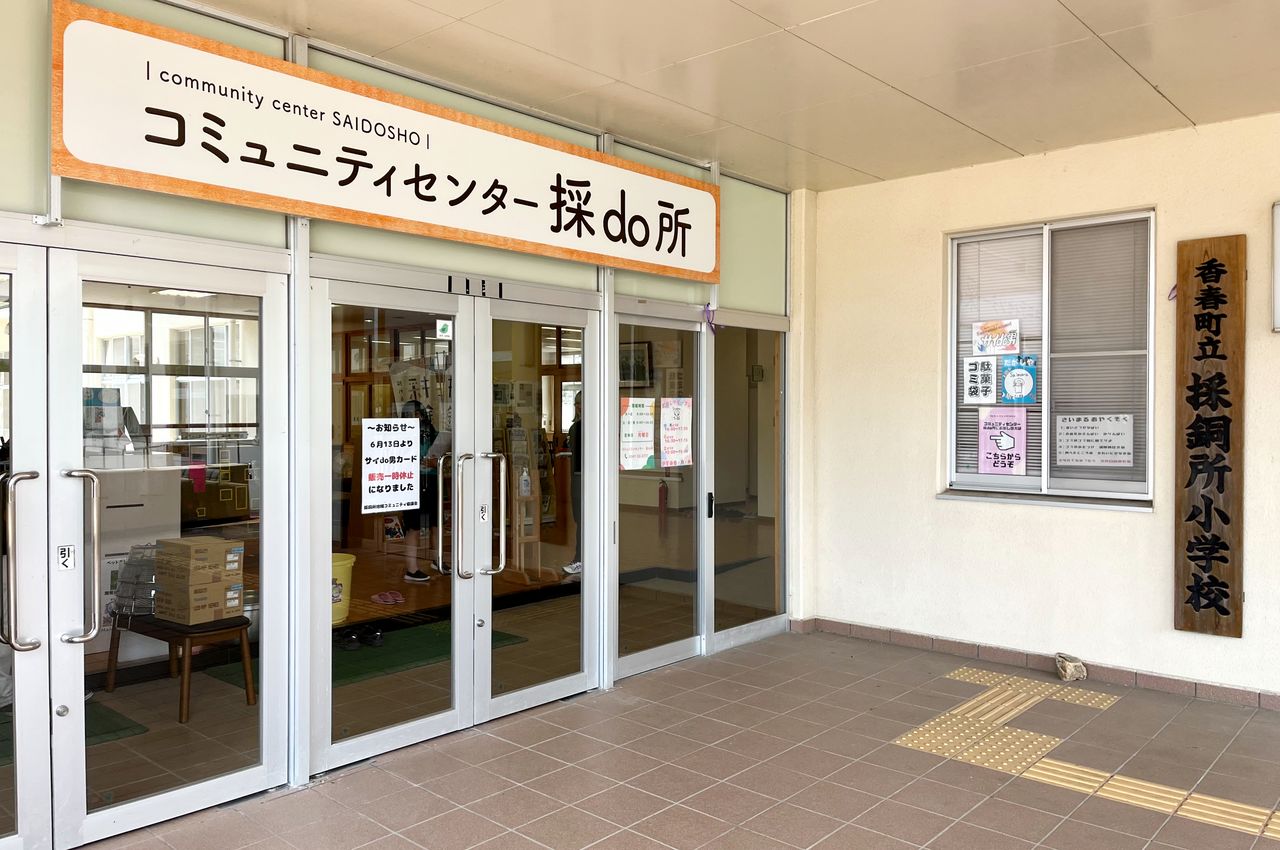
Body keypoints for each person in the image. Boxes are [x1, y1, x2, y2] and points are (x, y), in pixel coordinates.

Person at [400, 400, 448, 582]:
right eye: (412, 415)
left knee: (437, 522)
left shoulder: (431, 430)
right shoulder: (401, 432)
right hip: (411, 481)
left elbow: (441, 452)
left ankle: (438, 560)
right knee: (413, 525)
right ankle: (411, 569)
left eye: (419, 414)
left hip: (433, 478)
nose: (417, 418)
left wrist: (436, 461)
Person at [563, 391, 583, 577]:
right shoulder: (574, 428)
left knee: (584, 520)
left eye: (582, 403)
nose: (579, 406)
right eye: (577, 403)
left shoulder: (585, 428)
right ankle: (581, 558)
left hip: (584, 480)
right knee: (580, 520)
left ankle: (580, 559)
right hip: (576, 479)